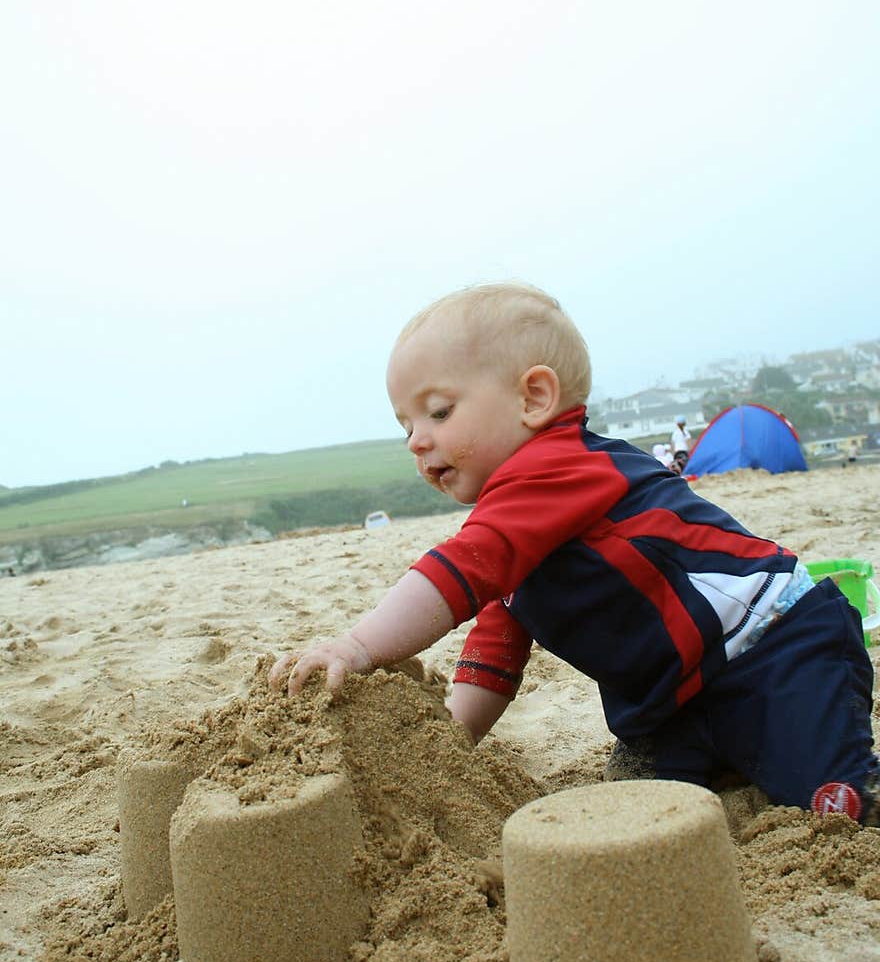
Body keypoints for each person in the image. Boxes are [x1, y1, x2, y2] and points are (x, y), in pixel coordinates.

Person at [269, 282, 879, 826]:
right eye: (405, 425)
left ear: (534, 397)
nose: (416, 440)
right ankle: (724, 750)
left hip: (773, 647)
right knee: (641, 802)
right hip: (675, 699)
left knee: (832, 799)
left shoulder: (562, 467)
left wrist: (357, 646)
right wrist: (450, 743)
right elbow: (494, 658)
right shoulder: (517, 528)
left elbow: (460, 570)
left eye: (439, 411)